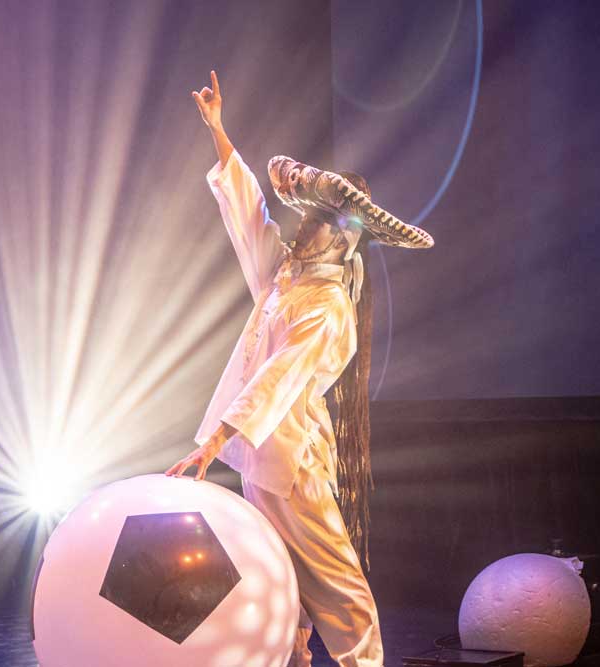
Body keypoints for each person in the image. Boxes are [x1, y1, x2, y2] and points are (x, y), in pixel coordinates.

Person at [165, 70, 433, 667]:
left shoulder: (328, 305)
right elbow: (248, 217)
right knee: (275, 581)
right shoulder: (286, 278)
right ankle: (289, 659)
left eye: (313, 221)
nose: (300, 226)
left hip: (293, 464)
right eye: (305, 217)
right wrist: (219, 131)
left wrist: (214, 442)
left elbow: (279, 377)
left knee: (340, 586)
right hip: (263, 462)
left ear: (340, 240)